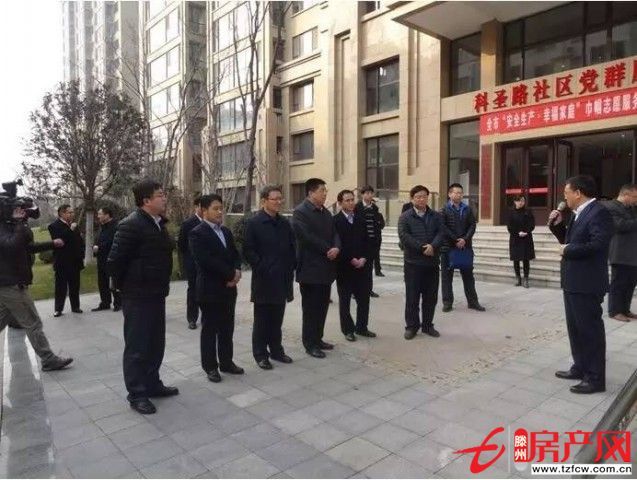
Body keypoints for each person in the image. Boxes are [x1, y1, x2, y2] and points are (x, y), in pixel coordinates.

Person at [107, 179, 179, 414]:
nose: (164, 198)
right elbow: (114, 262)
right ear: (146, 200)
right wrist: (125, 288)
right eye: (160, 195)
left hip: (156, 293)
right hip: (137, 295)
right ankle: (137, 393)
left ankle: (152, 383)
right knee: (137, 346)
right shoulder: (131, 225)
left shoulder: (158, 223)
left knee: (155, 342)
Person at [548, 175, 613, 394]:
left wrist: (568, 250)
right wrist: (558, 226)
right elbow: (569, 241)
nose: (564, 197)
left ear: (578, 193)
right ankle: (580, 367)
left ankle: (595, 378)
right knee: (575, 329)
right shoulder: (578, 213)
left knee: (590, 331)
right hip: (573, 281)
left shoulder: (599, 212)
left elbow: (597, 244)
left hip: (587, 282)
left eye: (566, 193)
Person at [0, 206, 73, 371]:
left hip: (9, 284)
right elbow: (12, 247)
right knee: (33, 322)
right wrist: (19, 223)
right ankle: (48, 359)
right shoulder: (4, 227)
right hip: (11, 285)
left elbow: (27, 246)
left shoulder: (9, 226)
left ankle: (48, 359)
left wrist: (51, 243)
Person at [189, 194, 244, 382]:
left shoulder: (226, 231)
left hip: (229, 289)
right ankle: (210, 366)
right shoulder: (197, 233)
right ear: (204, 211)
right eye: (215, 208)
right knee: (210, 329)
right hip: (210, 289)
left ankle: (227, 362)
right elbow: (205, 261)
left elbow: (235, 254)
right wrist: (229, 275)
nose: (220, 212)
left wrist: (237, 271)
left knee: (227, 328)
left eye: (221, 208)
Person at [243, 185, 296, 370]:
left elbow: (292, 246)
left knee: (277, 319)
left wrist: (291, 265)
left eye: (280, 198)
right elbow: (248, 250)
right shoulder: (254, 223)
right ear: (264, 201)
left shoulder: (284, 223)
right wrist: (262, 266)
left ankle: (276, 350)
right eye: (275, 199)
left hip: (282, 278)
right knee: (262, 320)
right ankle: (260, 354)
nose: (279, 202)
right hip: (264, 279)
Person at [292, 178, 341, 359]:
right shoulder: (300, 212)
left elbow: (335, 233)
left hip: (326, 268)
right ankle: (310, 343)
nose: (325, 193)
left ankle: (318, 338)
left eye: (325, 190)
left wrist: (336, 247)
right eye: (322, 190)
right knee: (311, 309)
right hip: (310, 269)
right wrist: (328, 249)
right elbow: (306, 237)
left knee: (322, 306)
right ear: (311, 192)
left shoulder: (325, 212)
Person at [398, 185, 446, 339]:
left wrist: (433, 246)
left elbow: (441, 233)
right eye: (418, 197)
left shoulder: (436, 216)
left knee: (430, 297)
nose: (421, 199)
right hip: (413, 263)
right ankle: (412, 326)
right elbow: (404, 236)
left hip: (432, 263)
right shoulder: (405, 217)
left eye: (424, 196)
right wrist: (423, 247)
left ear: (427, 198)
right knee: (412, 297)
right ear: (412, 199)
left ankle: (427, 325)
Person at [335, 189, 375, 342]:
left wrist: (364, 258)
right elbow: (337, 244)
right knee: (345, 301)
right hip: (344, 268)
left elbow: (368, 241)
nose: (351, 203)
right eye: (347, 200)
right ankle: (348, 330)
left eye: (352, 199)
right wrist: (351, 259)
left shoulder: (360, 219)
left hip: (362, 267)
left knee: (364, 299)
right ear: (340, 203)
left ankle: (362, 327)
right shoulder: (335, 221)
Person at [440, 183, 485, 312]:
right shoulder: (443, 210)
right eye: (456, 192)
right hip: (448, 248)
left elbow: (472, 225)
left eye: (461, 193)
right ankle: (447, 303)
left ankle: (473, 302)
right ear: (450, 194)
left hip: (465, 247)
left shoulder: (467, 209)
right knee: (446, 277)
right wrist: (456, 240)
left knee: (468, 276)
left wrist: (465, 239)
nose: (459, 195)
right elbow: (443, 227)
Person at [602, 184, 637, 322]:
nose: (636, 200)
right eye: (634, 197)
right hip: (620, 253)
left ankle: (625, 309)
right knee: (618, 284)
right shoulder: (610, 207)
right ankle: (615, 311)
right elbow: (620, 225)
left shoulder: (631, 208)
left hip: (633, 254)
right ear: (625, 195)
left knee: (630, 284)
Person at [48, 204, 85, 317]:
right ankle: (58, 309)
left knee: (75, 285)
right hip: (62, 262)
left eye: (72, 212)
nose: (72, 214)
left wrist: (82, 252)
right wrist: (70, 230)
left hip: (75, 261)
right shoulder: (53, 226)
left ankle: (75, 306)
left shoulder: (74, 225)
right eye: (69, 212)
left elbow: (78, 241)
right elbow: (60, 241)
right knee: (61, 286)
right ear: (62, 213)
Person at [355, 185, 385, 298]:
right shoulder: (357, 207)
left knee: (369, 268)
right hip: (361, 242)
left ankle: (369, 290)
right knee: (359, 268)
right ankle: (356, 291)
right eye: (366, 193)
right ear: (362, 194)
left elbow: (378, 223)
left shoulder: (375, 208)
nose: (369, 195)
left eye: (371, 193)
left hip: (373, 242)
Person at [177, 196, 203, 329]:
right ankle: (192, 318)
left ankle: (207, 317)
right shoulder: (188, 224)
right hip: (192, 263)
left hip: (207, 264)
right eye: (201, 207)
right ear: (196, 207)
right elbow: (181, 245)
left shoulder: (213, 223)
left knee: (207, 289)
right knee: (193, 290)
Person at [92, 206, 121, 312]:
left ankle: (118, 303)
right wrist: (95, 246)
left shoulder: (116, 227)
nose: (98, 216)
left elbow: (114, 242)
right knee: (102, 281)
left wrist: (99, 247)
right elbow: (98, 239)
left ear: (107, 215)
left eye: (100, 214)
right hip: (101, 258)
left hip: (112, 258)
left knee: (113, 281)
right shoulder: (102, 227)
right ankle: (105, 302)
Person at [506, 195, 536, 288]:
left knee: (526, 259)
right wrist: (517, 232)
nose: (521, 202)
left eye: (523, 201)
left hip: (526, 238)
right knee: (516, 259)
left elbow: (532, 224)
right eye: (519, 201)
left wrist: (526, 232)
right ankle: (518, 278)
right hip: (515, 238)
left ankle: (526, 279)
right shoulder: (511, 212)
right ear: (515, 202)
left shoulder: (528, 211)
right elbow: (509, 226)